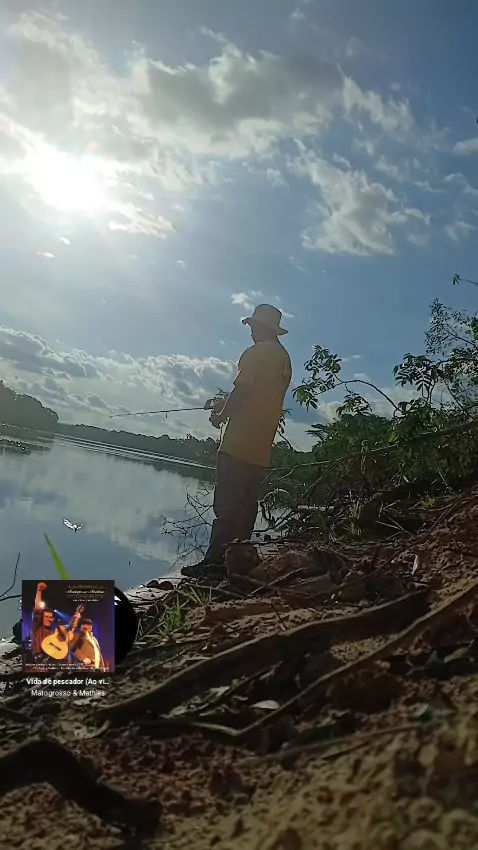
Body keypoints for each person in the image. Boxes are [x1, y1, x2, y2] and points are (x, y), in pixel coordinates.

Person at [182, 304, 292, 579]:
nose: (251, 331)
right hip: (262, 448)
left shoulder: (255, 353)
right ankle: (239, 562)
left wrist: (220, 416)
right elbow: (259, 396)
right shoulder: (284, 359)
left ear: (262, 327)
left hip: (238, 443)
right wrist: (227, 403)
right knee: (246, 507)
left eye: (253, 326)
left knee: (227, 508)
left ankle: (214, 565)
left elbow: (242, 390)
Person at [30, 581, 81, 665]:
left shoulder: (54, 632)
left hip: (55, 659)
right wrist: (39, 591)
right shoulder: (37, 627)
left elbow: (69, 633)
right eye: (46, 617)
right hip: (42, 660)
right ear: (41, 618)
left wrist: (76, 619)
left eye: (51, 617)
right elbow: (37, 610)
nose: (49, 619)